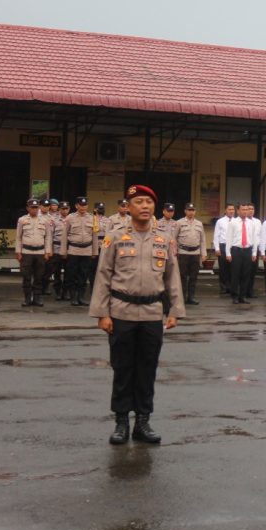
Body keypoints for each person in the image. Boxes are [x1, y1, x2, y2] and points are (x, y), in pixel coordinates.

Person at [89, 184, 185, 446]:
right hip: (121, 313)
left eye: (148, 203)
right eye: (139, 202)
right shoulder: (115, 237)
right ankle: (121, 422)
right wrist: (101, 313)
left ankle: (143, 421)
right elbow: (103, 274)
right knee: (122, 368)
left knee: (147, 369)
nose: (144, 206)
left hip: (153, 314)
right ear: (128, 207)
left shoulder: (163, 238)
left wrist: (175, 310)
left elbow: (171, 277)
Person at [16, 198, 51, 307]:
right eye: (32, 207)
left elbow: (48, 237)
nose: (34, 209)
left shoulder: (45, 220)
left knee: (39, 277)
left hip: (40, 252)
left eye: (36, 207)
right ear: (28, 208)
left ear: (39, 208)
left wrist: (47, 251)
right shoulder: (22, 220)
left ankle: (37, 298)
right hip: (26, 252)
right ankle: (27, 298)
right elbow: (18, 237)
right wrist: (18, 251)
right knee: (26, 276)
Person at [62, 197, 97, 306]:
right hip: (73, 250)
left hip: (86, 250)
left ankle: (81, 297)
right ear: (76, 206)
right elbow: (64, 235)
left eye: (85, 205)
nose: (83, 207)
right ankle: (73, 297)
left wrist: (94, 251)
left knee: (84, 274)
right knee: (72, 274)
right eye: (81, 205)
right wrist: (64, 251)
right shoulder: (69, 218)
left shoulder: (93, 218)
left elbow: (94, 236)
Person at [226, 202, 259, 305]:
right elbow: (229, 238)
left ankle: (243, 296)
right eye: (243, 210)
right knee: (236, 274)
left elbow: (254, 238)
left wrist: (254, 252)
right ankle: (235, 296)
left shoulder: (251, 223)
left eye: (247, 210)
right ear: (238, 211)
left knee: (246, 275)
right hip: (236, 250)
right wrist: (228, 253)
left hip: (247, 250)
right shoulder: (233, 223)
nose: (245, 212)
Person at [174, 203, 207, 305]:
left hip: (195, 253)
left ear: (195, 211)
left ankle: (191, 297)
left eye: (193, 210)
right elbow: (174, 238)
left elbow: (202, 240)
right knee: (182, 276)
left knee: (194, 276)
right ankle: (182, 297)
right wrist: (175, 251)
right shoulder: (179, 222)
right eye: (189, 210)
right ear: (185, 211)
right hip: (183, 253)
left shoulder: (199, 223)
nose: (191, 212)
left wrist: (203, 253)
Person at [214, 204, 236, 297]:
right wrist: (217, 248)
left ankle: (231, 287)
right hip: (223, 245)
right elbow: (216, 235)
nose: (231, 211)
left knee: (233, 268)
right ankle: (223, 287)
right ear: (225, 210)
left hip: (233, 246)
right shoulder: (220, 221)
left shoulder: (236, 221)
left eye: (233, 209)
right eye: (229, 209)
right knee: (223, 268)